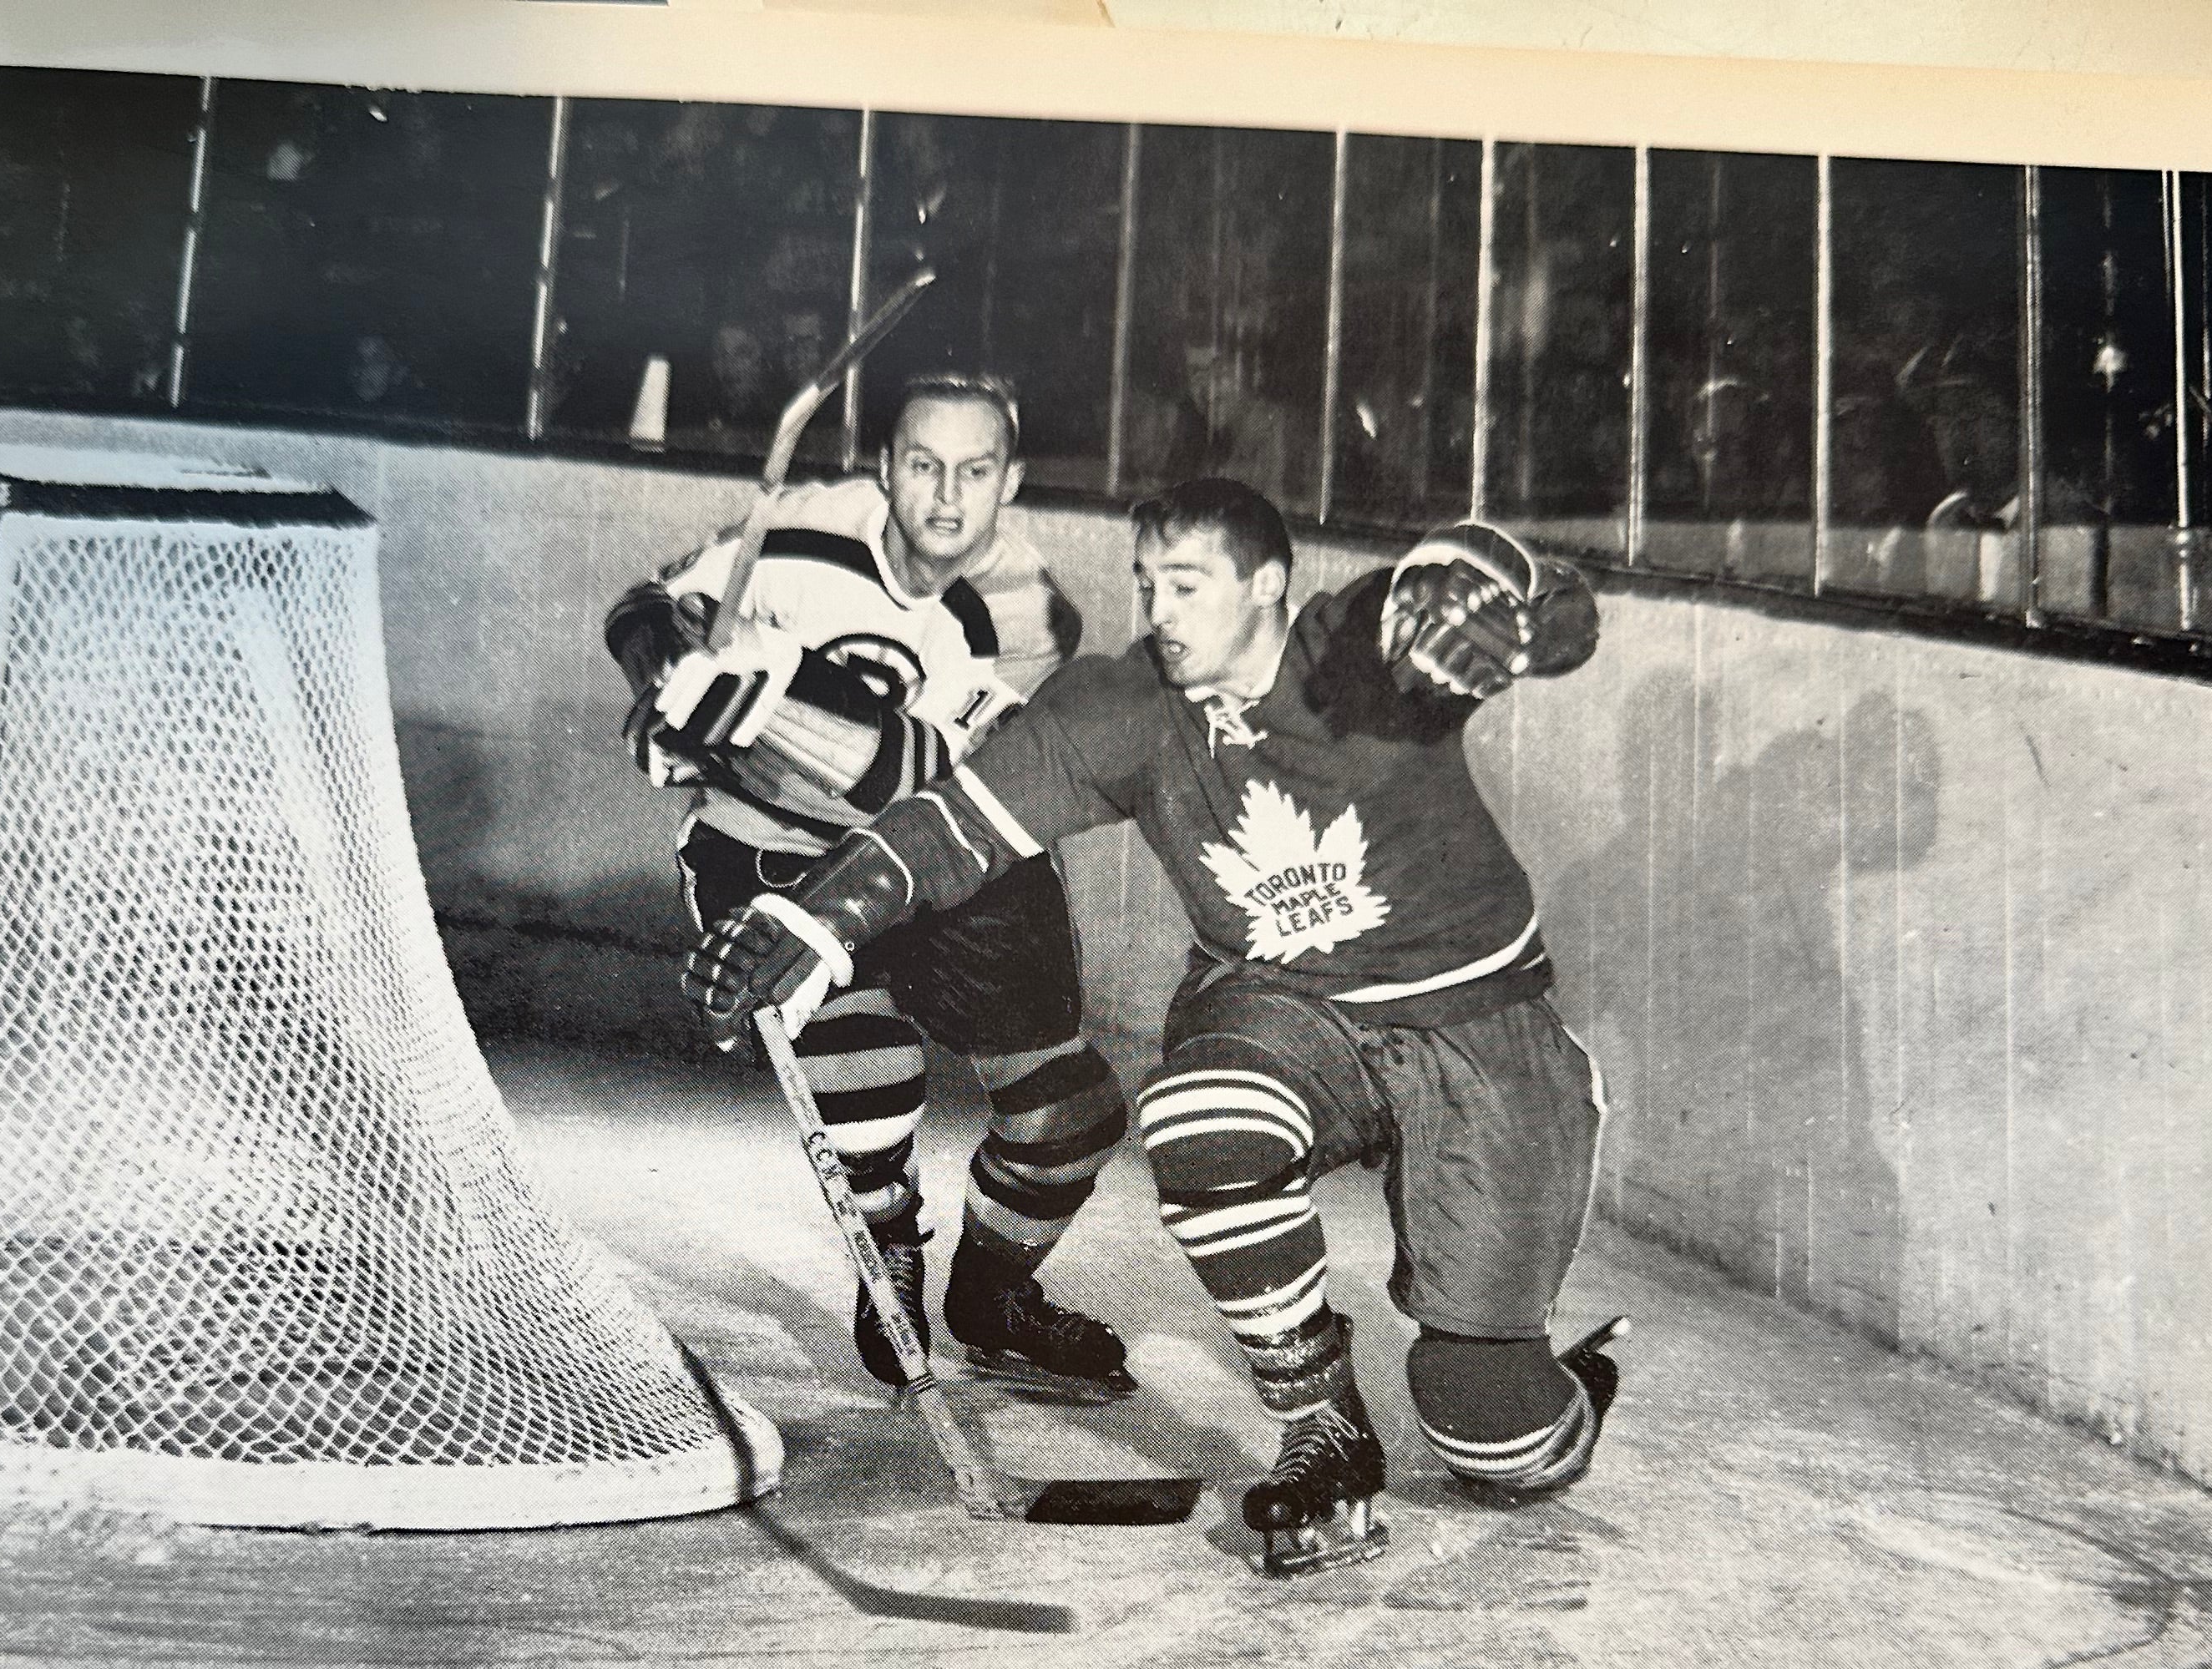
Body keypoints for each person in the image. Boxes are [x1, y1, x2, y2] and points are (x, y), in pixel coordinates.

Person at [686, 478, 1621, 1575]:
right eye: (1145, 584)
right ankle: (1321, 1426)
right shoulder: (1125, 706)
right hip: (1286, 1011)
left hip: (1478, 1024)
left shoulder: (1362, 648)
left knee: (1490, 1432)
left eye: (1187, 585)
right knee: (1200, 1115)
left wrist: (1502, 596)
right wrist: (816, 914)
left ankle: (1569, 1387)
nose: (1159, 610)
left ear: (1268, 585)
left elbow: (1524, 602)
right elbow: (950, 826)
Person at [607, 372, 1135, 1403]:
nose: (946, 496)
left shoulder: (1030, 616)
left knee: (1070, 1116)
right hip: (768, 854)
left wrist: (752, 708)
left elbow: (917, 782)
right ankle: (888, 1238)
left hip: (938, 855)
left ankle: (992, 1298)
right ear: (885, 469)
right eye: (924, 466)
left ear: (1011, 482)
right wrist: (666, 677)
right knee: (868, 1084)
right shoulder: (803, 529)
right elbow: (642, 608)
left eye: (975, 473)